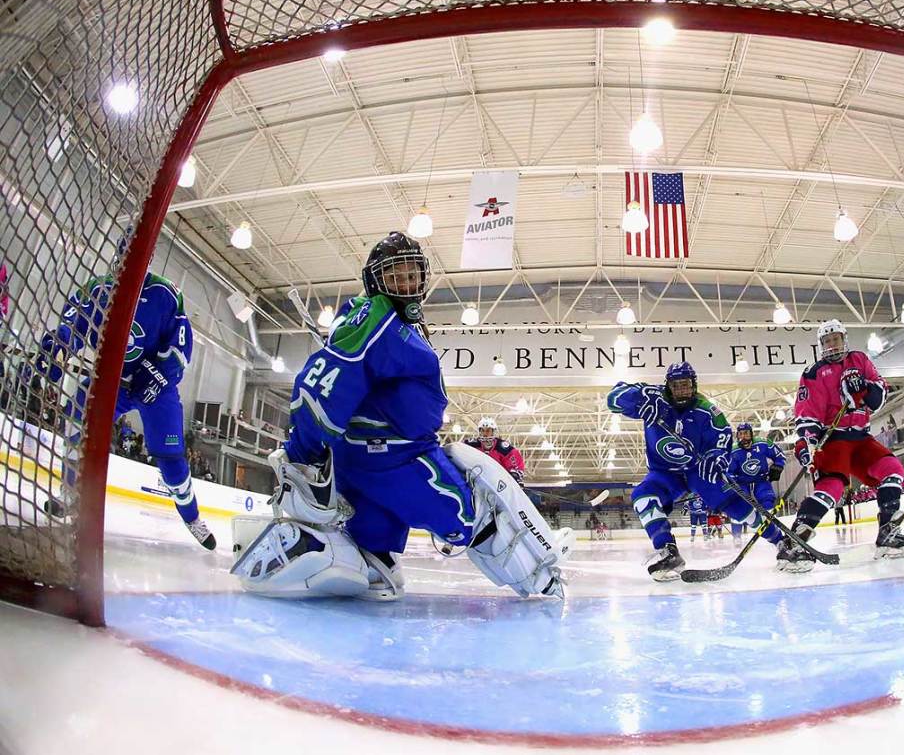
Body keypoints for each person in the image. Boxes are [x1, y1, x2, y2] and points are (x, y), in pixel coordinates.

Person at [232, 232, 571, 600]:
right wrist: (301, 456)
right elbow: (322, 385)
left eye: (413, 275)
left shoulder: (390, 323)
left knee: (374, 544)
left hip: (371, 462)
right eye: (395, 277)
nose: (406, 285)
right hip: (397, 459)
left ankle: (369, 563)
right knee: (472, 517)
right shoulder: (375, 319)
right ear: (375, 282)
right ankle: (540, 580)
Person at [34, 263, 214, 549]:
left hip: (155, 387)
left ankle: (192, 518)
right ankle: (71, 494)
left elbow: (181, 346)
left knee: (171, 458)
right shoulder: (96, 289)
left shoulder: (165, 293)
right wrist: (59, 345)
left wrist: (162, 372)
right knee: (74, 427)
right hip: (110, 382)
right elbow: (72, 325)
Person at [607, 362, 806, 581]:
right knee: (642, 496)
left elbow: (723, 440)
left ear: (694, 385)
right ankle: (668, 551)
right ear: (668, 386)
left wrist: (717, 458)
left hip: (698, 470)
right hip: (664, 472)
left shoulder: (708, 411)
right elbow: (613, 398)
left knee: (735, 505)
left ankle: (781, 541)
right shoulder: (653, 397)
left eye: (686, 385)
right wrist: (638, 395)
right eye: (676, 385)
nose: (682, 390)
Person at [789, 319, 904, 570]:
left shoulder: (860, 359)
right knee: (833, 487)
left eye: (835, 339)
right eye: (827, 341)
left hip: (861, 437)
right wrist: (808, 441)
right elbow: (807, 413)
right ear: (821, 345)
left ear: (843, 339)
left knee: (892, 470)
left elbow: (878, 394)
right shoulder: (814, 373)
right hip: (834, 438)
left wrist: (865, 387)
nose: (831, 345)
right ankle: (793, 541)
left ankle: (887, 533)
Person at [726, 421, 786, 523]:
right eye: (740, 434)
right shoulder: (733, 450)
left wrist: (778, 466)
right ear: (737, 435)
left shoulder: (763, 443)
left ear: (752, 434)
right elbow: (728, 471)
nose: (743, 437)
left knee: (767, 500)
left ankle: (768, 526)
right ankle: (737, 537)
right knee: (740, 506)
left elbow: (780, 455)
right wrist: (732, 483)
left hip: (761, 480)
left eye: (746, 433)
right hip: (742, 482)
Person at [464, 416, 526, 485]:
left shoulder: (504, 448)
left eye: (488, 431)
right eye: (482, 430)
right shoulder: (471, 445)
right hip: (476, 480)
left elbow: (516, 466)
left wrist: (515, 476)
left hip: (498, 482)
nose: (485, 434)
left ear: (493, 431)